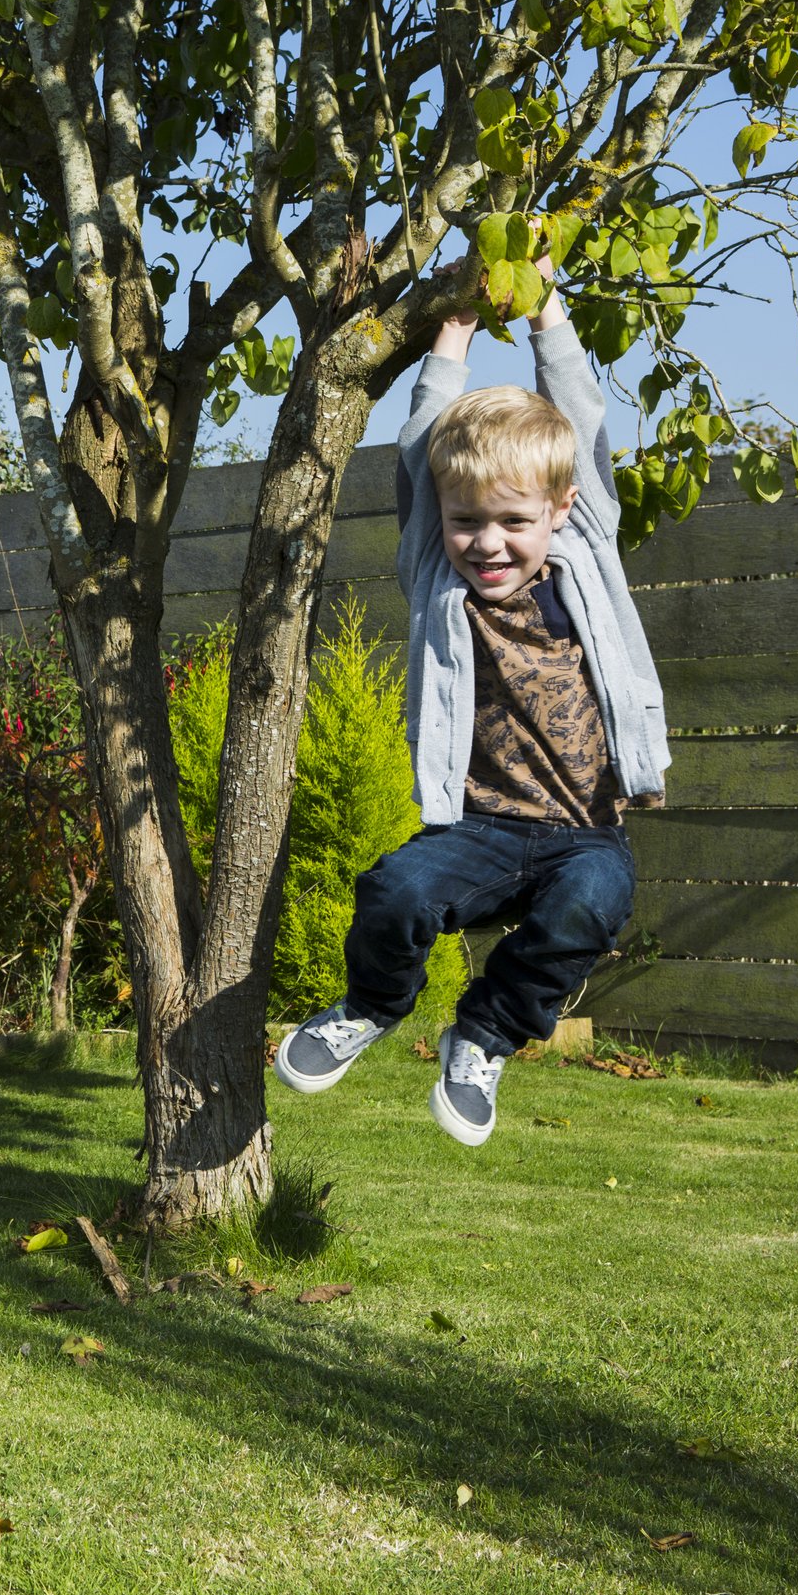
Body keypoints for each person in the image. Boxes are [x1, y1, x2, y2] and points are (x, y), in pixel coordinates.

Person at [272, 255, 669, 1146]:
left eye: (513, 522)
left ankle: (484, 1033)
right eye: (466, 522)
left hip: (585, 830)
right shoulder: (433, 575)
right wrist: (451, 325)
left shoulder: (588, 554)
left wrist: (542, 309)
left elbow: (585, 418)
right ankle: (372, 1007)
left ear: (562, 509)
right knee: (394, 892)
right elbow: (418, 449)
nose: (488, 543)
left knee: (590, 909)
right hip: (479, 828)